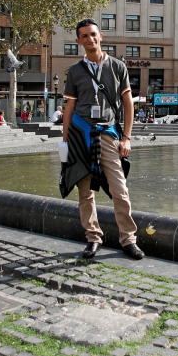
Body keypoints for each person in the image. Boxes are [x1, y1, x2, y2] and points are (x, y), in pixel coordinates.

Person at [61, 18, 144, 260]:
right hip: (80, 135)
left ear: (101, 36)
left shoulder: (118, 67)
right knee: (85, 191)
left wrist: (127, 137)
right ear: (78, 41)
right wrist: (65, 141)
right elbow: (69, 107)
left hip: (108, 134)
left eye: (93, 34)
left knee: (120, 189)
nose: (90, 39)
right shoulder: (75, 71)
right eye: (84, 36)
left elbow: (128, 104)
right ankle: (93, 238)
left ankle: (128, 239)